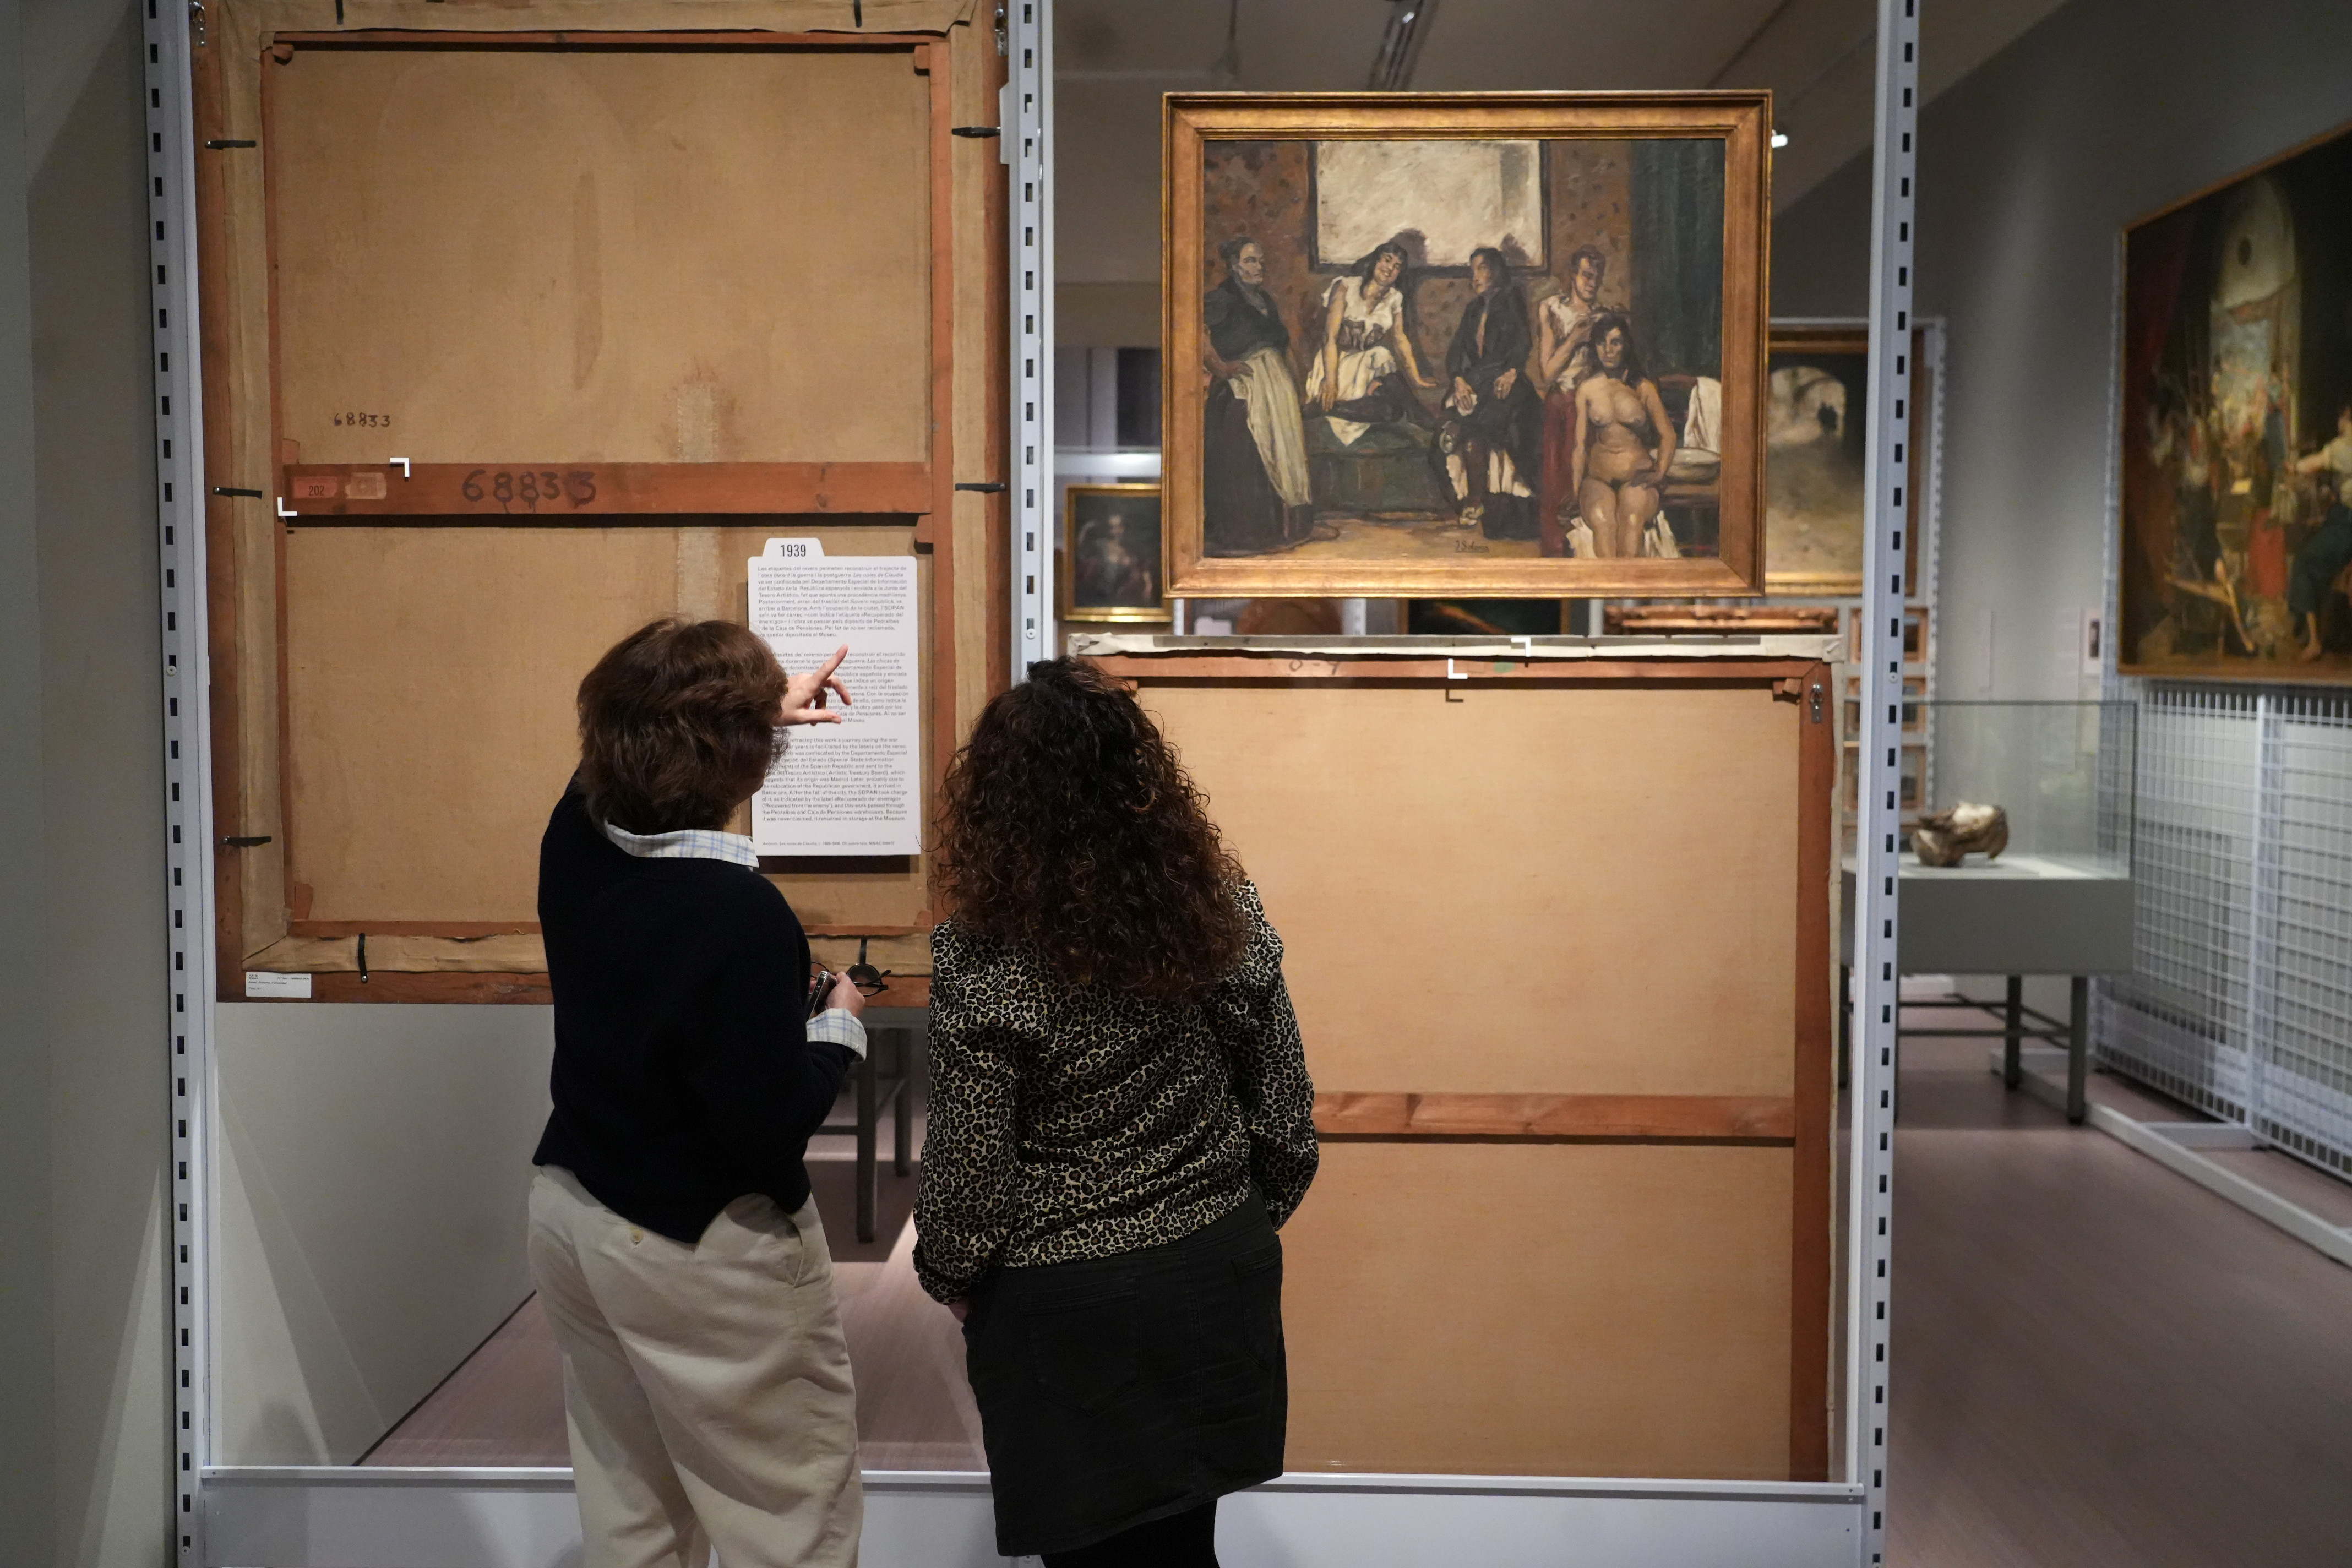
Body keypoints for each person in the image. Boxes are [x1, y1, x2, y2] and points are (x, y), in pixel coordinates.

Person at [914, 658, 1319, 1567]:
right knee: (1186, 1550)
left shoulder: (985, 957)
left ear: (996, 806)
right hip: (1215, 1271)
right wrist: (1222, 1222)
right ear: (1147, 785)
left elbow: (971, 1179)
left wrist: (951, 1276)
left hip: (1067, 1303)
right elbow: (1287, 1123)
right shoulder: (1221, 916)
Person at [527, 618, 868, 1568]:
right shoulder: (738, 913)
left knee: (632, 1515)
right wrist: (837, 1027)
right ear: (742, 756)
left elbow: (602, 763)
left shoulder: (574, 841)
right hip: (701, 1241)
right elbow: (767, 1129)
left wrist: (754, 711)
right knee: (788, 1523)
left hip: (575, 1210)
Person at [1202, 237, 1315, 555]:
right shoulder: (1221, 299)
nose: (1259, 266)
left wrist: (1298, 386)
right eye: (1251, 260)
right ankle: (1248, 535)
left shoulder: (1265, 300)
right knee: (1250, 451)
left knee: (1285, 452)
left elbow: (1283, 345)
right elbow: (1195, 333)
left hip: (1276, 387)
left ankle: (1286, 528)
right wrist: (1221, 368)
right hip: (1244, 389)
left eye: (1260, 260)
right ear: (1234, 265)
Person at [1440, 246, 1544, 540]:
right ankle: (1469, 493)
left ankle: (1477, 500)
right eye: (1472, 270)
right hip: (1476, 381)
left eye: (1482, 268)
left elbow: (1523, 343)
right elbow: (1455, 353)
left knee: (1483, 423)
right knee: (1455, 416)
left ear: (1497, 271)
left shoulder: (1511, 301)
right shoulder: (1472, 310)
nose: (1475, 277)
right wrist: (1458, 380)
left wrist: (1512, 371)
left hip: (1506, 380)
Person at [1304, 239, 1438, 445]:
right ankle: (1418, 415)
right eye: (1387, 260)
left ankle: (1328, 409)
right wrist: (1330, 381)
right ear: (1375, 261)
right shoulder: (1346, 287)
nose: (1390, 269)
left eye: (1397, 267)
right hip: (1335, 365)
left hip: (1365, 369)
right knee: (1381, 355)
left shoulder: (1395, 298)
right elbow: (1329, 338)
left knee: (1391, 411)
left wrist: (1417, 378)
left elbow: (1401, 339)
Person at [1572, 312, 1679, 558]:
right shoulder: (1587, 389)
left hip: (1637, 479)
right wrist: (1576, 491)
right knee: (1602, 521)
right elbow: (1579, 446)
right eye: (1601, 343)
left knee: (1631, 519)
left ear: (1626, 345)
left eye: (1615, 342)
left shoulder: (1643, 388)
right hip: (1598, 480)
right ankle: (1609, 582)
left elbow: (1668, 436)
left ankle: (1626, 581)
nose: (1608, 351)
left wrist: (1660, 473)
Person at [1537, 246, 1609, 554]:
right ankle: (1556, 550)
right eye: (1587, 276)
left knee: (1590, 480)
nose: (1593, 283)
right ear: (1573, 275)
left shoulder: (1604, 317)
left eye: (1598, 277)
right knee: (1557, 479)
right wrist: (1576, 339)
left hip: (1591, 405)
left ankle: (1587, 550)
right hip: (1561, 402)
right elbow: (1547, 373)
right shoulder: (1552, 309)